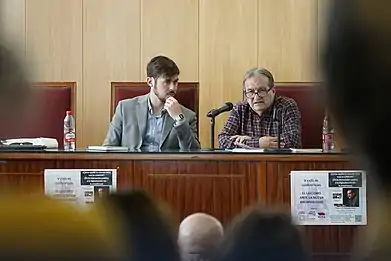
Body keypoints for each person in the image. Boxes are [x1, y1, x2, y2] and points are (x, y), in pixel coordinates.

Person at [103, 55, 200, 151]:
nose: (173, 88)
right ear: (150, 82)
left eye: (175, 82)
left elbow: (194, 154)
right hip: (131, 165)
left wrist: (179, 119)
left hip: (168, 166)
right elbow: (108, 149)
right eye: (167, 81)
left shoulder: (188, 116)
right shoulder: (124, 109)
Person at [218, 68, 301, 149]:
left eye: (262, 90)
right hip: (248, 162)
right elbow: (223, 141)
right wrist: (258, 143)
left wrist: (249, 140)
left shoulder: (286, 106)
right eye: (250, 91)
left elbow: (293, 141)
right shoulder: (240, 109)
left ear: (273, 91)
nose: (256, 97)